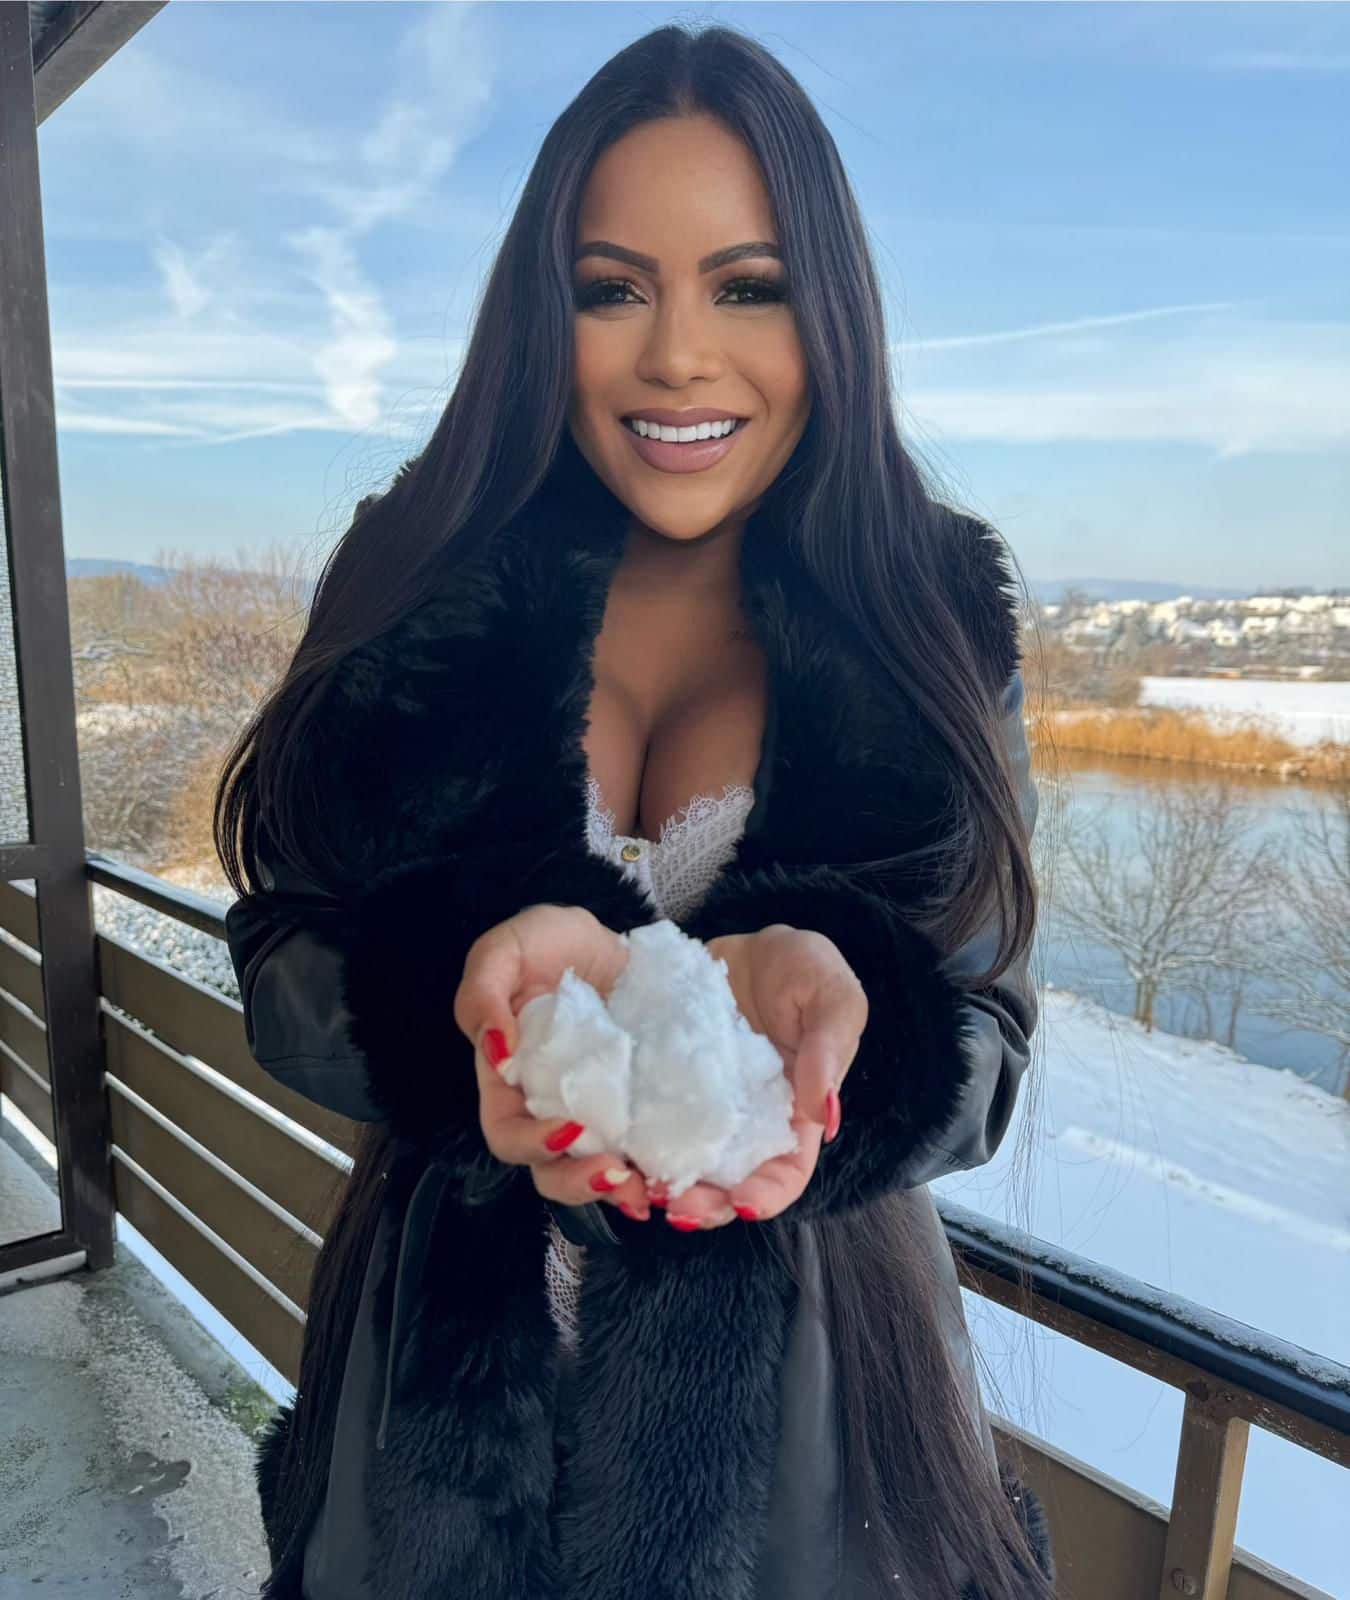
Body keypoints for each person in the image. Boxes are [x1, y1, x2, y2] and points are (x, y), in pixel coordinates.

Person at [218, 23, 1053, 1600]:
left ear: (831, 312)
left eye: (748, 286)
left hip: (819, 1427)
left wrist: (836, 1030)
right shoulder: (417, 567)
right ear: (541, 317)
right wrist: (468, 1024)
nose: (676, 356)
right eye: (611, 289)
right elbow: (281, 953)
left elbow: (989, 1045)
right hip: (435, 1397)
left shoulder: (929, 606)